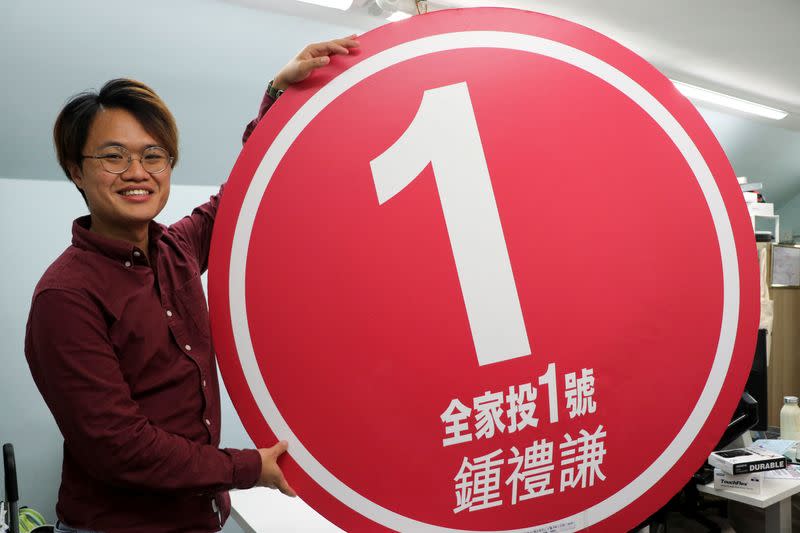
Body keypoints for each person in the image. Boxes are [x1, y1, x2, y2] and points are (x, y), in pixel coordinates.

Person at [24, 36, 360, 533]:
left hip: (199, 519)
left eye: (153, 156)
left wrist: (276, 95)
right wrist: (249, 468)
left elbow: (237, 198)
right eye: (113, 157)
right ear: (76, 169)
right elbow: (121, 449)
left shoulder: (174, 249)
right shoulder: (65, 299)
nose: (137, 173)